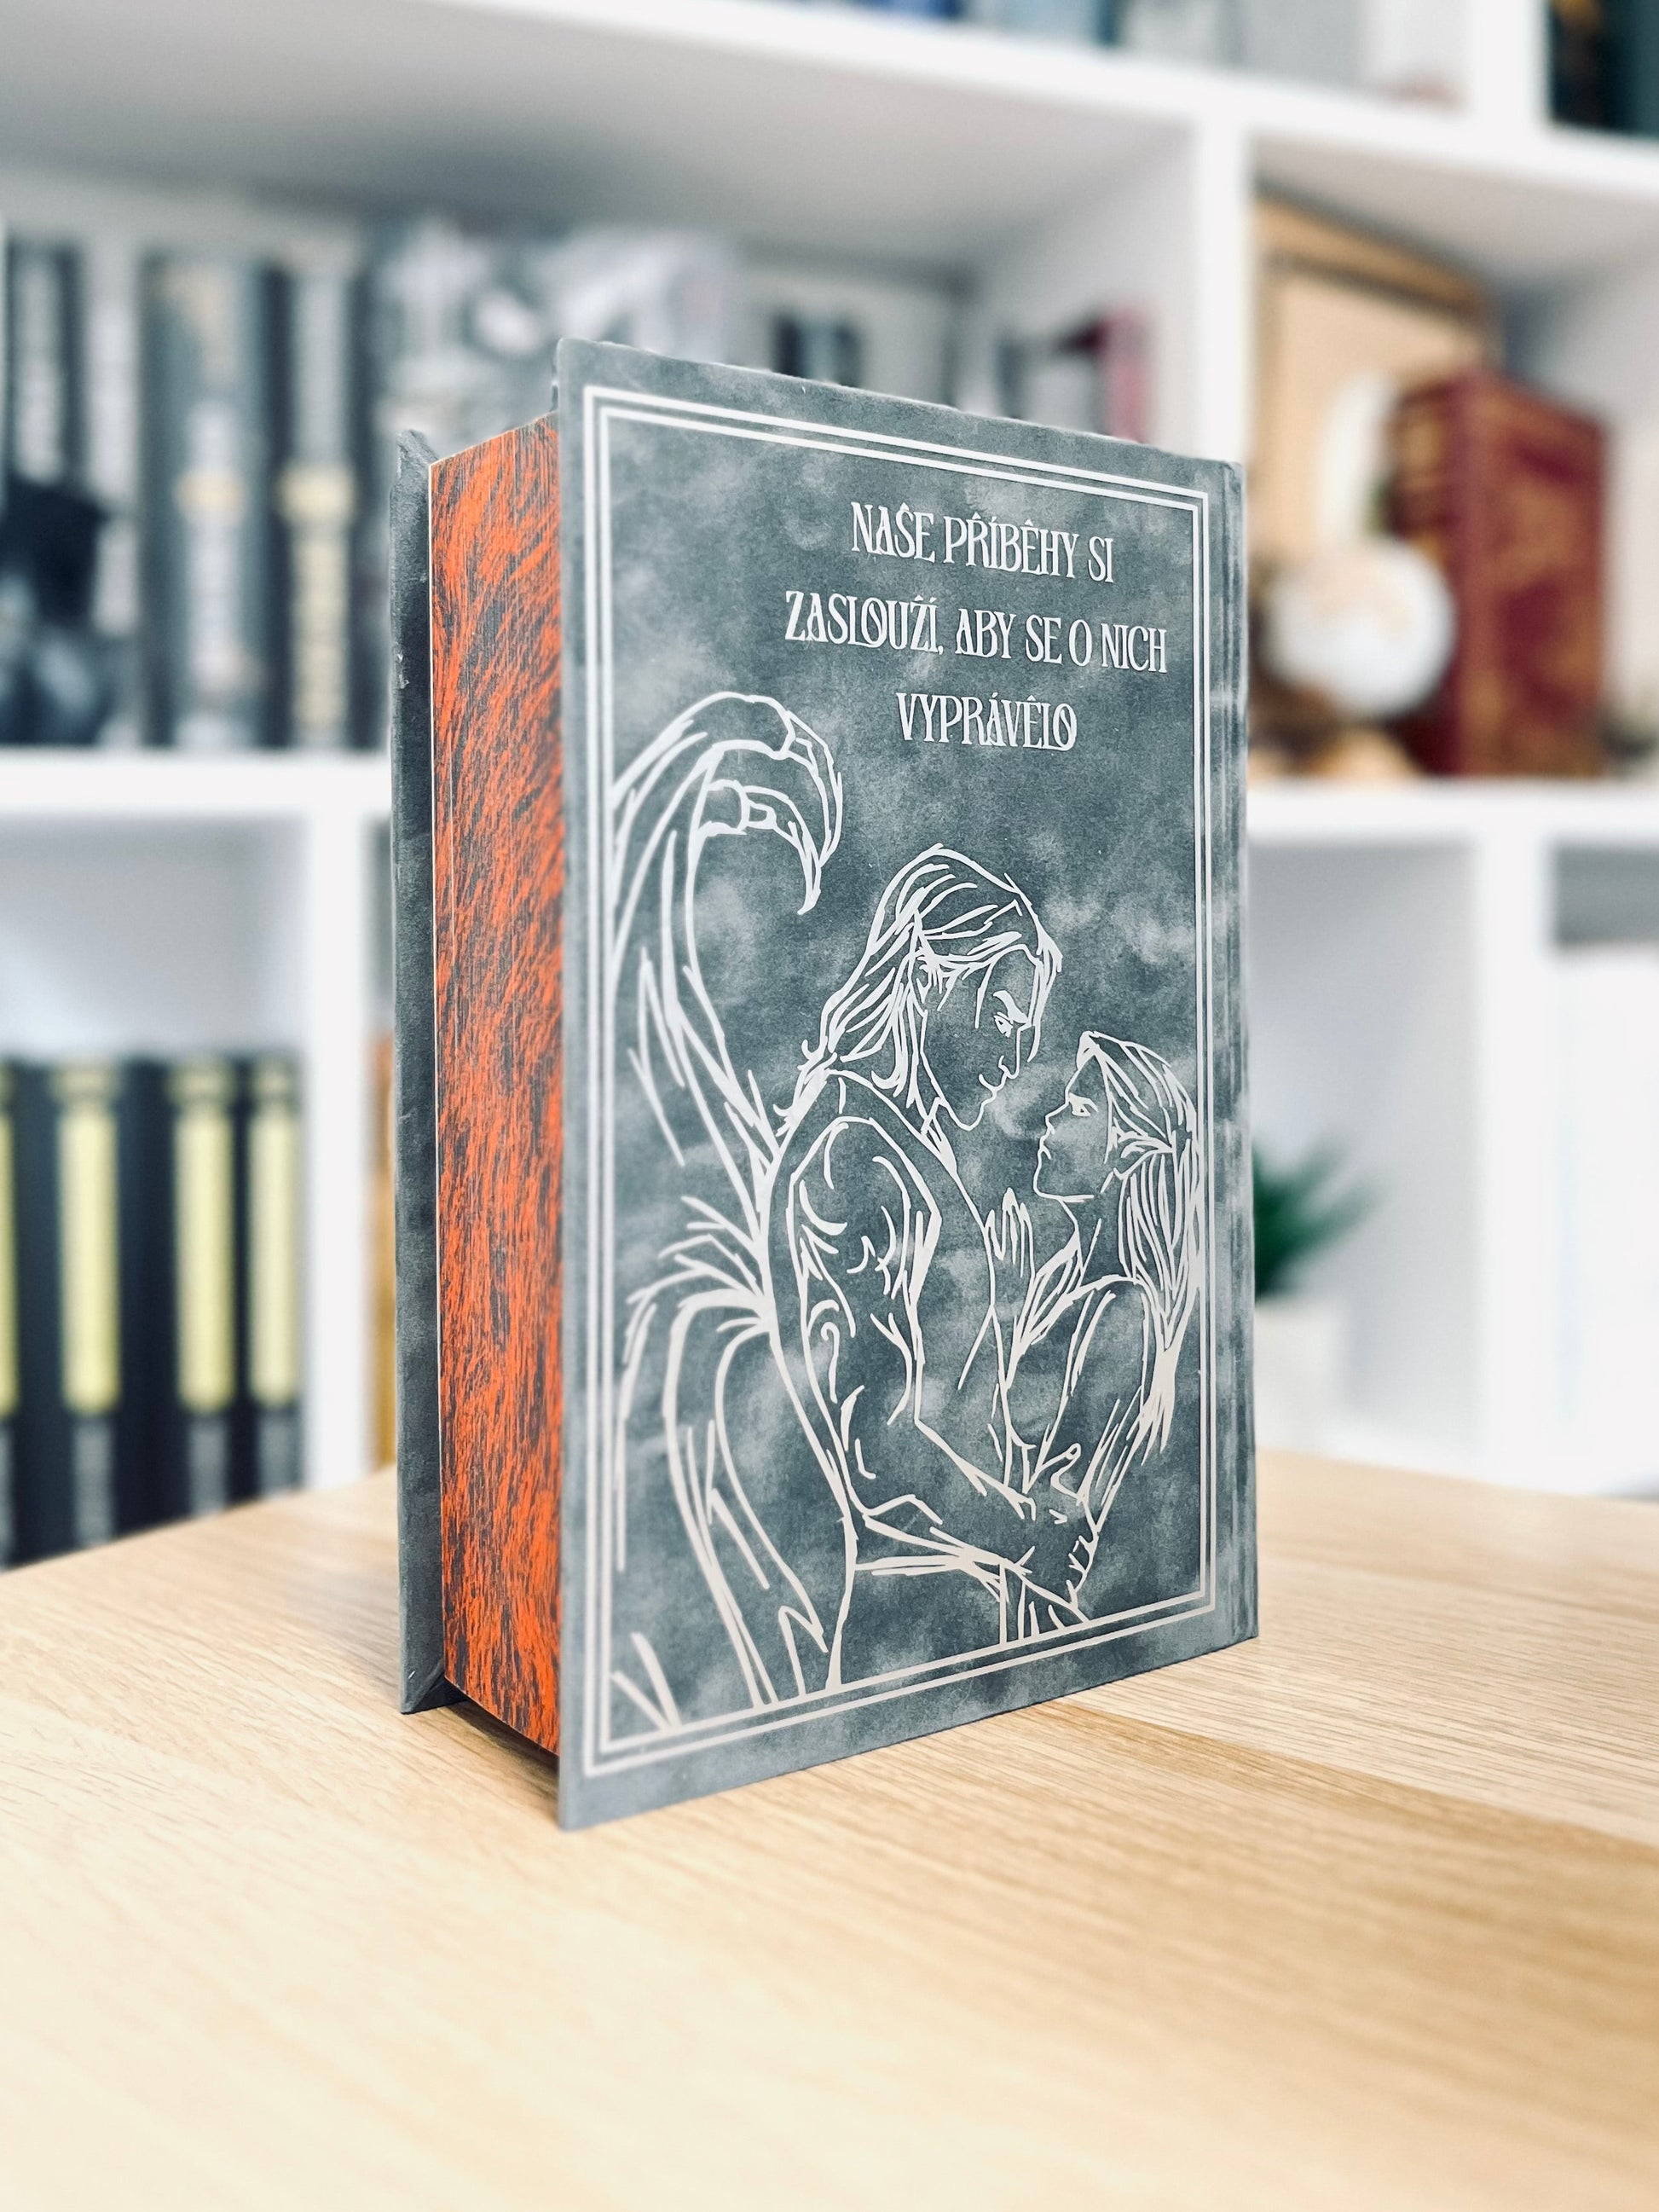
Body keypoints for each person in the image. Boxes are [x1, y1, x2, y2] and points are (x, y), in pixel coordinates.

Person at [760, 845, 1085, 1687]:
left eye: (1031, 1030)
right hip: (892, 1633)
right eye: (1006, 1016)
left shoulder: (892, 1143)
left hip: (940, 1610)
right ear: (933, 974)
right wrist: (1025, 1532)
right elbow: (876, 1449)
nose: (1019, 1052)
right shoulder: (853, 1150)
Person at [1008, 1033, 1202, 1625]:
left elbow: (1066, 1514)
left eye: (1079, 1108)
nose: (1051, 1120)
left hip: (1038, 1607)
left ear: (1127, 1151)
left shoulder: (1124, 1308)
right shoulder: (1056, 1277)